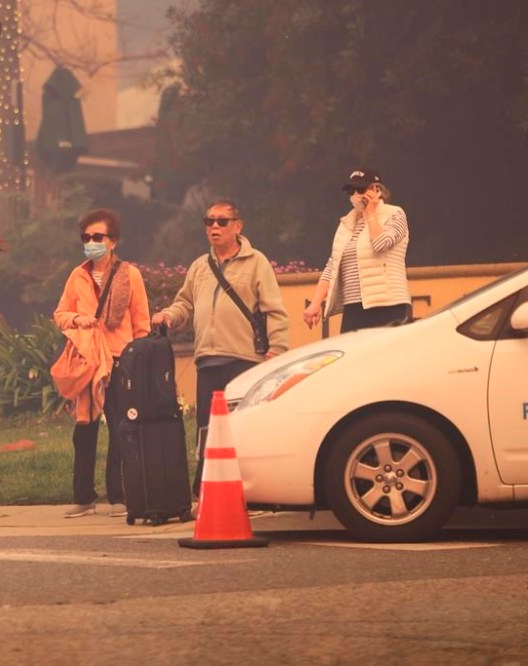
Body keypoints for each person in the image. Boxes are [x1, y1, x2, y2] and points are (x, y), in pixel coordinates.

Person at [151, 200, 289, 503]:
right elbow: (185, 303)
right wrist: (169, 315)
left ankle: (253, 492)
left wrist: (277, 350)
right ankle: (207, 491)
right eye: (209, 221)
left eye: (222, 221)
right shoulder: (200, 266)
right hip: (207, 361)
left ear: (237, 226)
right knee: (208, 430)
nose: (214, 226)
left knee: (244, 429)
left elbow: (274, 310)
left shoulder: (257, 262)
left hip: (245, 360)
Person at [54, 208, 151, 519]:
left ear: (113, 241)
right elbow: (60, 314)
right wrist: (76, 319)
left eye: (97, 237)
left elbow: (141, 323)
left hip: (120, 359)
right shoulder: (77, 275)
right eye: (86, 237)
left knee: (121, 429)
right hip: (89, 361)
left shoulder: (129, 275)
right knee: (84, 430)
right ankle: (83, 497)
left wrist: (138, 360)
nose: (91, 243)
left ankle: (118, 495)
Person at [303, 168, 411, 334]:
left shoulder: (395, 214)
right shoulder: (347, 223)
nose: (355, 195)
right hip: (353, 307)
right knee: (352, 350)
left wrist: (371, 214)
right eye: (351, 191)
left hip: (388, 304)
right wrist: (315, 303)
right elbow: (333, 265)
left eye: (360, 189)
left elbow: (380, 244)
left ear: (376, 190)